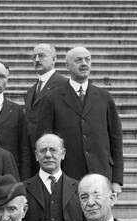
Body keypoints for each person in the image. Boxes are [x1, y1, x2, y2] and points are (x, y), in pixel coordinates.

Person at [33, 46, 124, 193]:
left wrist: (117, 180)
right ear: (67, 66)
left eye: (87, 60)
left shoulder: (104, 97)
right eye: (78, 60)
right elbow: (44, 139)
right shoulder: (52, 98)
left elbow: (116, 140)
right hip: (67, 174)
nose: (84, 63)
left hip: (101, 174)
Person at [23, 43, 70, 162]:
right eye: (34, 57)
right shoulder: (31, 91)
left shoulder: (65, 85)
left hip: (56, 155)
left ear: (54, 59)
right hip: (36, 154)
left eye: (41, 56)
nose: (37, 60)